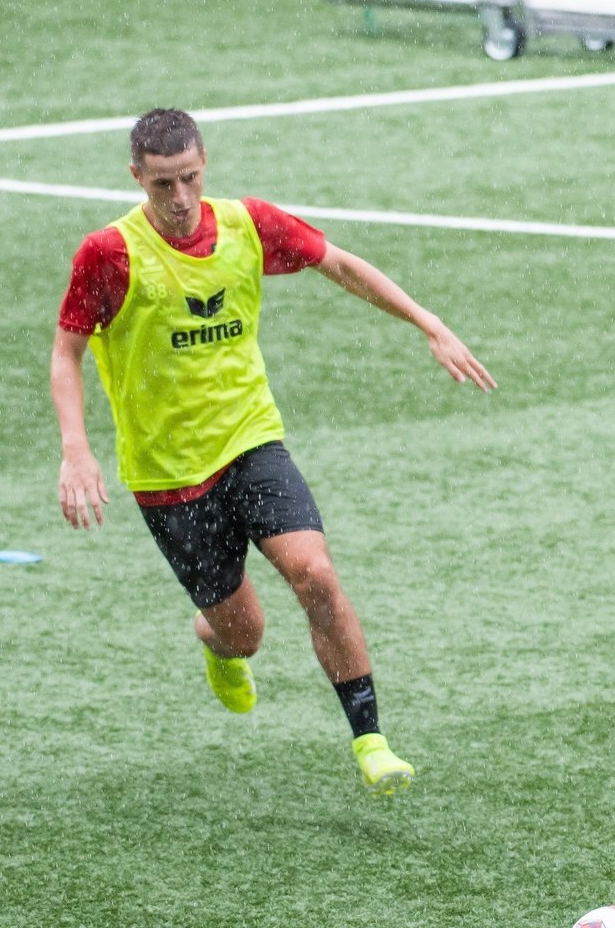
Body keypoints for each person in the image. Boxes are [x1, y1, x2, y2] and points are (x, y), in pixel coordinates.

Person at [50, 109, 495, 794]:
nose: (180, 199)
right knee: (245, 632)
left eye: (190, 178)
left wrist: (427, 323)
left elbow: (338, 263)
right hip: (168, 475)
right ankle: (217, 642)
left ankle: (371, 741)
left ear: (206, 165)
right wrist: (76, 449)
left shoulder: (247, 224)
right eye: (162, 184)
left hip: (250, 438)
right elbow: (68, 350)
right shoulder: (108, 254)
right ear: (136, 177)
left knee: (314, 572)